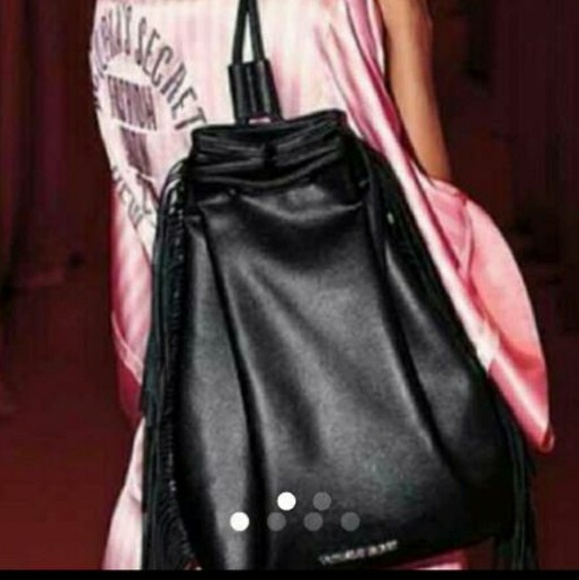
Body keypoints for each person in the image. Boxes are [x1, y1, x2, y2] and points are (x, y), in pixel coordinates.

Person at [89, 0, 553, 570]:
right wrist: (409, 33)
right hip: (363, 458)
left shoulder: (117, 10)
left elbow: (139, 240)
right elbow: (431, 239)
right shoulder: (324, 12)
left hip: (209, 465)